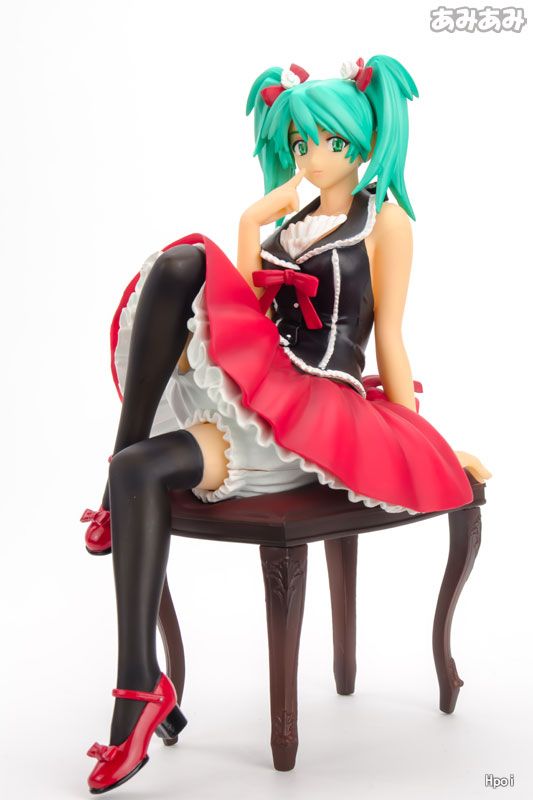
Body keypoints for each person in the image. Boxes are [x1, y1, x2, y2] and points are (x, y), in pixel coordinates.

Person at [82, 54, 491, 794]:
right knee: (178, 275)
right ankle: (141, 687)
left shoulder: (385, 222)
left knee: (184, 272)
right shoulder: (288, 225)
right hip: (258, 391)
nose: (313, 156)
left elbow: (391, 340)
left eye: (329, 140)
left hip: (314, 413)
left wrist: (422, 440)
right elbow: (246, 313)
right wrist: (250, 223)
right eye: (301, 143)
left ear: (364, 140)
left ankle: (132, 687)